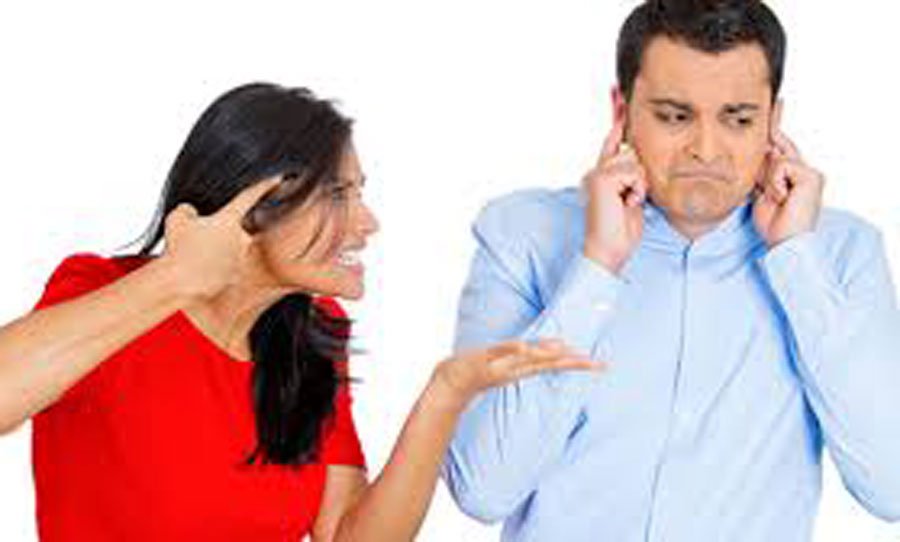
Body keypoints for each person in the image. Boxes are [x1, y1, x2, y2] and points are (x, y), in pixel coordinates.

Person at [0, 83, 601, 541]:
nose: (367, 223)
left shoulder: (312, 335)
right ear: (253, 203)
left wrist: (446, 394)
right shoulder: (104, 290)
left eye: (360, 192)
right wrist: (176, 278)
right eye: (338, 194)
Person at [442, 1, 900, 540]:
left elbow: (891, 487)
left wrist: (796, 259)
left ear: (774, 122)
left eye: (738, 119)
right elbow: (482, 489)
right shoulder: (522, 235)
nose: (705, 150)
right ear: (621, 111)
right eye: (674, 117)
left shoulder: (841, 253)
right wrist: (597, 267)